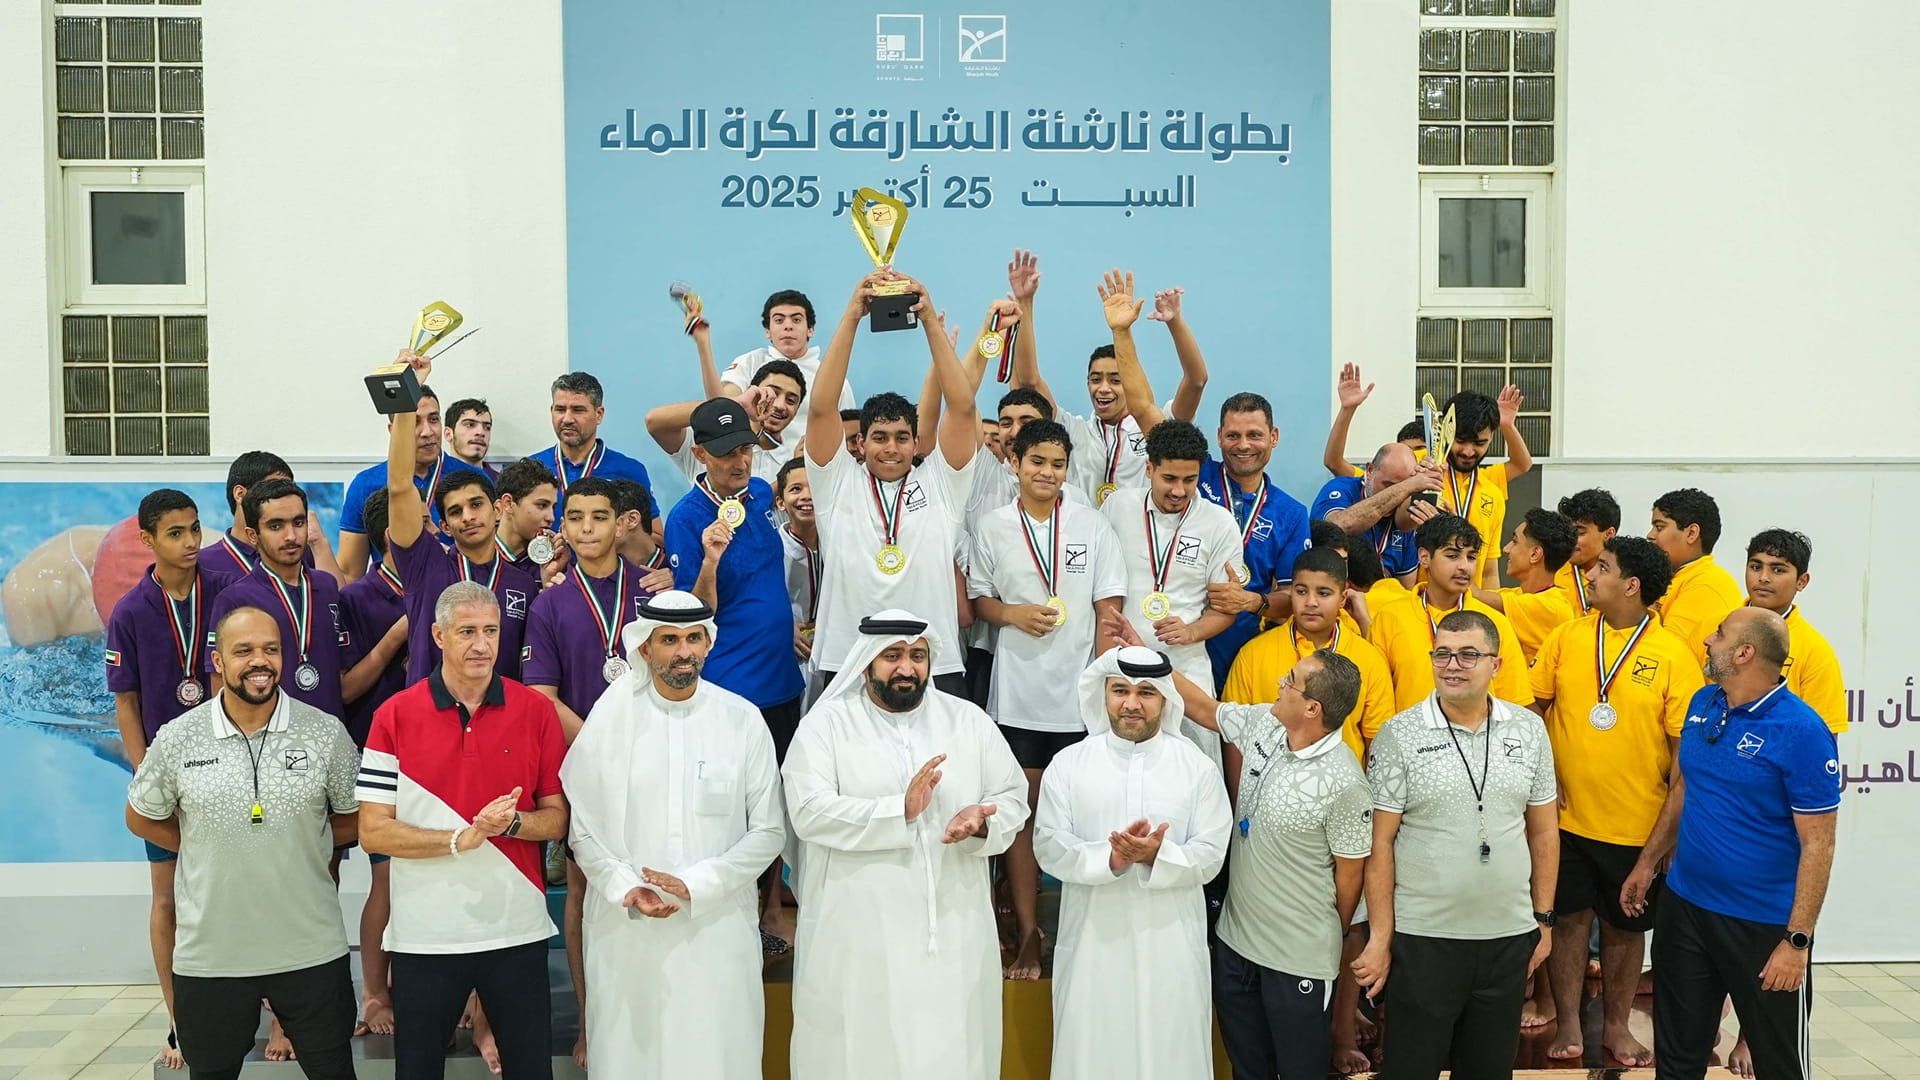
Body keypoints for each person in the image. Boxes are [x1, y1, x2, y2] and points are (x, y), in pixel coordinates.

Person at [781, 612, 1028, 1080]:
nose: (907, 668)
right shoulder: (826, 726)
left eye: (917, 656)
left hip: (953, 936)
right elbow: (808, 812)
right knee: (860, 1053)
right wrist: (900, 810)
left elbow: (1012, 797)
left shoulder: (968, 721)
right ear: (866, 662)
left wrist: (980, 822)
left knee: (951, 1051)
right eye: (892, 656)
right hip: (858, 939)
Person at [126, 606, 363, 1080]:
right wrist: (199, 839)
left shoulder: (324, 732)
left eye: (271, 649)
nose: (261, 661)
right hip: (213, 955)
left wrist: (306, 838)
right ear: (217, 660)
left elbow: (355, 817)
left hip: (310, 949)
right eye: (245, 651)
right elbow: (140, 816)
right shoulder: (179, 738)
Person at [561, 591, 786, 1078]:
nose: (684, 651)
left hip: (717, 927)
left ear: (708, 644)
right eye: (669, 640)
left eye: (693, 639)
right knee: (630, 1056)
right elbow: (583, 834)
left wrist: (699, 883)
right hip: (628, 929)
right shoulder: (611, 720)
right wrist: (627, 887)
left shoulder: (742, 720)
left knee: (718, 1056)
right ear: (645, 649)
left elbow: (769, 831)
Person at [356, 581, 570, 1080]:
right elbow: (372, 832)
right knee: (418, 1070)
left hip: (517, 931)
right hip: (425, 938)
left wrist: (512, 822)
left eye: (491, 631)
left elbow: (557, 817)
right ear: (438, 636)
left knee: (531, 1069)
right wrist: (459, 839)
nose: (481, 644)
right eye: (467, 631)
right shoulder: (392, 715)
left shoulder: (536, 711)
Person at [1628, 607, 1839, 1080]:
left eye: (1719, 634)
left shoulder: (1802, 733)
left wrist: (1796, 941)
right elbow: (1682, 790)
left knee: (1778, 1063)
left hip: (1762, 927)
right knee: (1678, 1057)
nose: (1707, 638)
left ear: (1744, 653)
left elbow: (1819, 845)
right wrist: (1647, 863)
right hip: (1685, 910)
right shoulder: (1705, 701)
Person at [1352, 610, 1559, 1080]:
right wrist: (1382, 937)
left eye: (1468, 654)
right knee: (1411, 1068)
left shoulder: (1528, 731)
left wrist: (1543, 921)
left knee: (1488, 1070)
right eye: (1442, 653)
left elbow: (1545, 831)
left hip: (1507, 937)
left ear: (1496, 664)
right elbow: (1378, 845)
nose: (1453, 665)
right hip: (1425, 938)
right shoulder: (1400, 733)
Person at [1527, 536, 1704, 1065]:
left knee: (1626, 931)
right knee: (1568, 922)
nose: (1589, 572)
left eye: (1602, 567)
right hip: (1565, 820)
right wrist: (1543, 773)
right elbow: (1531, 711)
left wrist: (1662, 846)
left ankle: (1618, 1026)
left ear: (1631, 585)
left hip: (1636, 827)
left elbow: (1684, 764)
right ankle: (1568, 1022)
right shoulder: (1566, 636)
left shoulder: (1673, 655)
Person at [967, 418, 1128, 979]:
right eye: (1037, 461)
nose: (1047, 473)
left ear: (1068, 468)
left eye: (1058, 464)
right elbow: (981, 601)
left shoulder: (1091, 523)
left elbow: (1111, 601)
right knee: (1023, 818)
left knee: (1086, 814)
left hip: (1080, 698)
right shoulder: (992, 526)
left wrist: (1103, 673)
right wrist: (1011, 613)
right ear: (1015, 463)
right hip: (1017, 697)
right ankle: (1032, 934)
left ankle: (1086, 935)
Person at [1163, 647, 1370, 1080]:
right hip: (1236, 943)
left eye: (1290, 680)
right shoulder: (1265, 724)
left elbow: (1351, 876)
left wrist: (1323, 939)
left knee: (1299, 1072)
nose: (1280, 682)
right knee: (1248, 1070)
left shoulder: (1346, 782)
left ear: (1312, 708)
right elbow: (1204, 708)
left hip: (1297, 959)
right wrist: (1151, 658)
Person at [1033, 646, 1231, 1080]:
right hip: (1092, 946)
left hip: (1171, 947)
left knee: (1171, 1050)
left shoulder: (1196, 768)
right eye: (1120, 690)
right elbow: (1047, 844)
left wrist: (1162, 855)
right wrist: (1111, 858)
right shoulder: (1069, 765)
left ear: (1165, 699)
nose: (1131, 703)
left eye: (1146, 693)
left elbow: (1213, 853)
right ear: (1103, 695)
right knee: (1093, 1049)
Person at [802, 269, 983, 696]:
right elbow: (821, 408)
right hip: (847, 656)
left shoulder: (942, 482)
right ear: (860, 442)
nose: (890, 448)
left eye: (902, 438)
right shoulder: (835, 482)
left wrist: (930, 324)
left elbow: (962, 406)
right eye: (879, 438)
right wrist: (851, 316)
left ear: (917, 441)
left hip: (930, 659)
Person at [105, 488, 236, 1070]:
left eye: (195, 529)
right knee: (168, 897)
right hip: (168, 773)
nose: (191, 543)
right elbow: (126, 703)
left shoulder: (227, 592)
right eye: (176, 533)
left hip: (228, 767)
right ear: (147, 540)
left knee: (237, 891)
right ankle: (180, 1021)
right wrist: (144, 777)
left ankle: (265, 1010)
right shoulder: (131, 611)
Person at [1096, 415, 1246, 769]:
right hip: (1122, 667)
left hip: (1186, 669)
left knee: (1193, 769)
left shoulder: (1219, 523)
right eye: (1169, 479)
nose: (1179, 490)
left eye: (1189, 480)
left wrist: (1192, 630)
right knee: (1119, 768)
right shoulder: (1117, 508)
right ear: (1149, 468)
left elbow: (1227, 607)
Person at [1005, 255, 1207, 505]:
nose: (1103, 388)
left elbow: (1196, 380)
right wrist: (1025, 303)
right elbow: (1029, 383)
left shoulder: (1158, 426)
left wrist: (1175, 322)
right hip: (1080, 540)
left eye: (1115, 380)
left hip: (1141, 536)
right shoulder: (1072, 430)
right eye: (1095, 379)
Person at [665, 397, 806, 737]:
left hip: (785, 680)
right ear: (700, 454)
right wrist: (711, 559)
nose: (741, 462)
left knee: (784, 787)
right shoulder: (686, 519)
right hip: (732, 686)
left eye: (746, 449)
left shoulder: (758, 493)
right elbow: (693, 616)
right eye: (727, 453)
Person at [208, 480, 406, 722]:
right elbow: (221, 688)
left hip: (330, 738)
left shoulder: (327, 586)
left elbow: (344, 683)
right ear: (253, 535)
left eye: (298, 523)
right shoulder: (234, 599)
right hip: (268, 743)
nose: (291, 536)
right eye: (275, 526)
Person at [333, 488, 408, 1038]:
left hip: (433, 753)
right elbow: (345, 686)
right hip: (375, 752)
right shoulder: (357, 599)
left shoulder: (439, 588)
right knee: (383, 878)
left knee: (423, 878)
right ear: (392, 535)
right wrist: (393, 640)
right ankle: (375, 994)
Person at [1223, 546, 1397, 760]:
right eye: (1301, 591)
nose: (1311, 602)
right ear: (1291, 592)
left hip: (1342, 788)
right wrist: (1241, 794)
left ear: (1342, 598)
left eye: (1323, 593)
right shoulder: (1253, 654)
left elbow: (1376, 743)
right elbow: (1234, 736)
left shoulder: (1369, 660)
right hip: (1267, 786)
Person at [1366, 515, 1531, 710]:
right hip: (1413, 737)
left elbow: (1514, 703)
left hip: (1479, 737)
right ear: (1424, 557)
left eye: (1471, 557)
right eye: (1452, 556)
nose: (1464, 566)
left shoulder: (1495, 622)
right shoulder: (1390, 618)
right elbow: (1378, 704)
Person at [338, 384, 478, 581]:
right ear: (393, 430)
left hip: (460, 599)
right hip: (392, 602)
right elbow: (350, 572)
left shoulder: (473, 479)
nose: (427, 431)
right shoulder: (366, 484)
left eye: (434, 419)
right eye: (415, 421)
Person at [648, 314, 807, 486]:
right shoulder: (709, 441)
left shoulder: (795, 457)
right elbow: (654, 421)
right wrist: (734, 405)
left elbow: (763, 506)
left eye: (791, 400)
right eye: (772, 393)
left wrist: (795, 469)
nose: (780, 405)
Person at [717, 289, 856, 445]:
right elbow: (723, 405)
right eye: (779, 320)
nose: (788, 326)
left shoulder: (832, 378)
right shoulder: (749, 362)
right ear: (768, 331)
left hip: (806, 466)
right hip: (753, 462)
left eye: (796, 320)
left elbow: (847, 431)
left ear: (810, 330)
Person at [535, 371, 661, 541]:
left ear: (599, 414)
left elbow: (656, 538)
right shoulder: (532, 468)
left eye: (578, 410)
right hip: (540, 567)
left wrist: (607, 540)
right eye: (560, 409)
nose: (567, 419)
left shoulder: (630, 470)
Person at [1745, 529, 1847, 736]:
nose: (1763, 578)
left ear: (1802, 581)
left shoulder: (1815, 651)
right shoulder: (1714, 629)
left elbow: (1822, 740)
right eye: (1756, 567)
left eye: (1778, 570)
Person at [1311, 442, 1444, 582]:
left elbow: (1407, 589)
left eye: (1405, 485)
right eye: (1389, 486)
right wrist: (1406, 486)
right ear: (1369, 470)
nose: (1397, 495)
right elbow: (1338, 525)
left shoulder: (1406, 517)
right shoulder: (1342, 488)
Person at [202, 450, 342, 582]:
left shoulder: (297, 551)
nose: (283, 500)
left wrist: (319, 543)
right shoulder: (204, 563)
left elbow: (335, 601)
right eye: (273, 490)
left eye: (287, 490)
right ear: (240, 494)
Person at [1648, 487, 1744, 665]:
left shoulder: (1707, 583)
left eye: (1659, 527)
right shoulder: (1678, 576)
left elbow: (1666, 654)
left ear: (1691, 533)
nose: (1650, 535)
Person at [1472, 507, 1578, 663]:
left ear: (1535, 554)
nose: (1506, 549)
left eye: (1514, 542)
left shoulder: (1553, 608)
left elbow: (1473, 594)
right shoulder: (1515, 595)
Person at [774, 458, 822, 693]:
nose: (806, 495)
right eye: (796, 489)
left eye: (814, 486)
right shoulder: (773, 548)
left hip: (829, 648)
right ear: (781, 503)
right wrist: (783, 624)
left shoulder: (839, 542)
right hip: (788, 650)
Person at [491, 457, 563, 584]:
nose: (551, 518)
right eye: (542, 505)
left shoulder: (555, 564)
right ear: (508, 503)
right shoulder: (471, 558)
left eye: (553, 507)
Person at [1555, 488, 1619, 617]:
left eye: (1579, 532)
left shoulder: (1625, 580)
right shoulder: (1552, 573)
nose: (1569, 538)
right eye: (1567, 531)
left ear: (1608, 534)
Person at [443, 398, 496, 480]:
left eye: (487, 427)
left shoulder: (501, 484)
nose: (481, 432)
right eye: (470, 425)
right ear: (448, 434)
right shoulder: (434, 479)